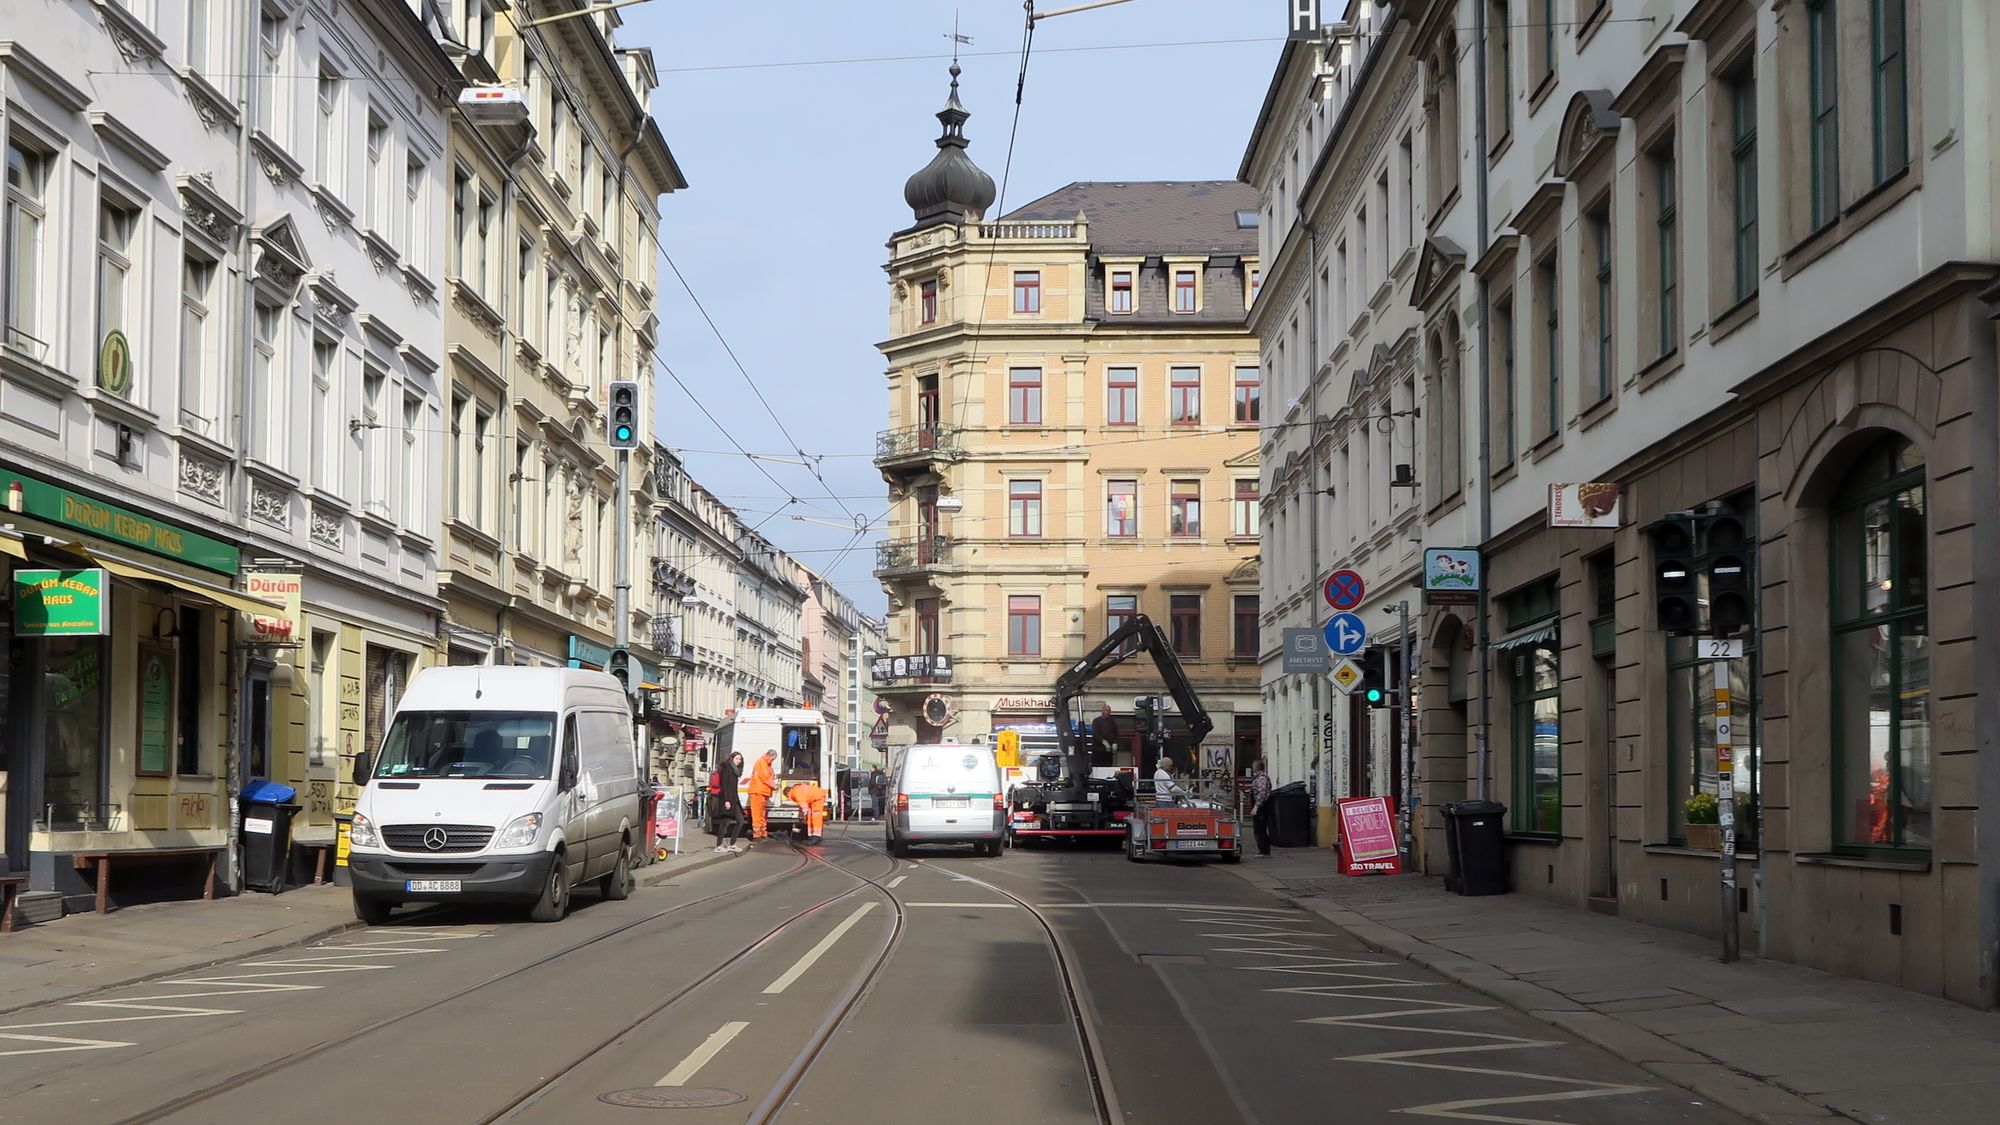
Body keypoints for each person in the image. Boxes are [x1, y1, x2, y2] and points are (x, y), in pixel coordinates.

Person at [713, 751, 746, 853]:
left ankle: (732, 844)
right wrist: (726, 800)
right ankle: (718, 845)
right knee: (724, 823)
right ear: (732, 758)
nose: (738, 761)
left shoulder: (735, 770)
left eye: (740, 759)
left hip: (734, 799)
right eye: (736, 759)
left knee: (740, 821)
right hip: (727, 799)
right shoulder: (727, 768)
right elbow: (724, 785)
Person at [748, 748, 778, 840]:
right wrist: (774, 785)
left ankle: (762, 833)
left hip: (761, 792)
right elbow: (765, 777)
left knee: (761, 815)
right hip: (758, 792)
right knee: (757, 815)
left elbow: (767, 776)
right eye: (773, 759)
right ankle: (757, 835)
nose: (773, 761)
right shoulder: (762, 763)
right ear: (770, 756)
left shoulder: (765, 763)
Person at [1248, 758, 1274, 857]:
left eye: (1253, 766)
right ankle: (1263, 850)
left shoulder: (1262, 778)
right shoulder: (1258, 777)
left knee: (1260, 829)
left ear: (1257, 767)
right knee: (1259, 829)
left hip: (1262, 807)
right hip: (1261, 806)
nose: (1252, 768)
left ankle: (1264, 851)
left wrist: (1256, 806)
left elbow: (1262, 793)